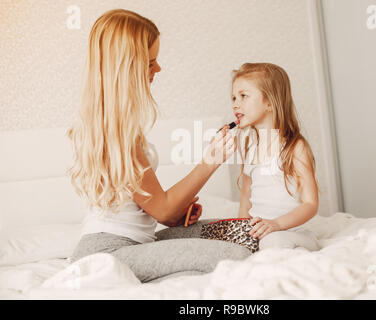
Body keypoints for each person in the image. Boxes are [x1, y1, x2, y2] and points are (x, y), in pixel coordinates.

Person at [67, 9, 250, 283]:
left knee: (238, 231)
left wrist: (176, 216)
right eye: (150, 62)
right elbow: (162, 207)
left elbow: (154, 208)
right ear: (126, 68)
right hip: (108, 253)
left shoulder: (119, 124)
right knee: (237, 255)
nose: (158, 69)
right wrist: (211, 160)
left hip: (136, 244)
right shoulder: (113, 132)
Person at [232, 62, 321, 251]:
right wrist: (240, 232)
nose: (236, 104)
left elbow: (311, 204)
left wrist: (277, 225)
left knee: (273, 242)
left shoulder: (295, 147)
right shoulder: (250, 148)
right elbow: (245, 201)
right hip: (261, 233)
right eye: (233, 98)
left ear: (270, 102)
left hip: (293, 232)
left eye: (243, 96)